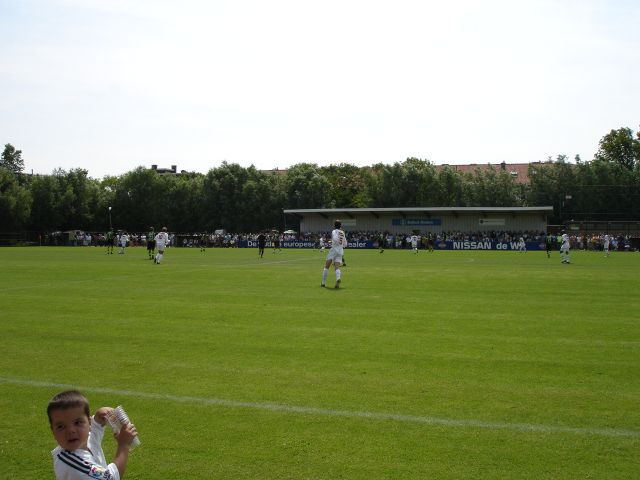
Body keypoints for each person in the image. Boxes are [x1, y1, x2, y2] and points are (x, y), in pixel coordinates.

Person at [48, 390, 137, 480]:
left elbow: (91, 440)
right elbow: (111, 478)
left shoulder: (81, 444)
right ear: (53, 432)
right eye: (61, 426)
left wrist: (97, 421)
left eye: (77, 422)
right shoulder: (75, 464)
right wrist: (124, 445)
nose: (71, 431)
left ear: (89, 423)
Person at [321, 220, 348, 289]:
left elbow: (335, 239)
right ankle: (338, 279)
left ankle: (323, 283)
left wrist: (333, 242)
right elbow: (345, 244)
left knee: (326, 266)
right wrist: (340, 244)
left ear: (334, 225)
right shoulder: (342, 232)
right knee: (337, 267)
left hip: (334, 249)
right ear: (340, 225)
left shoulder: (334, 231)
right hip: (340, 251)